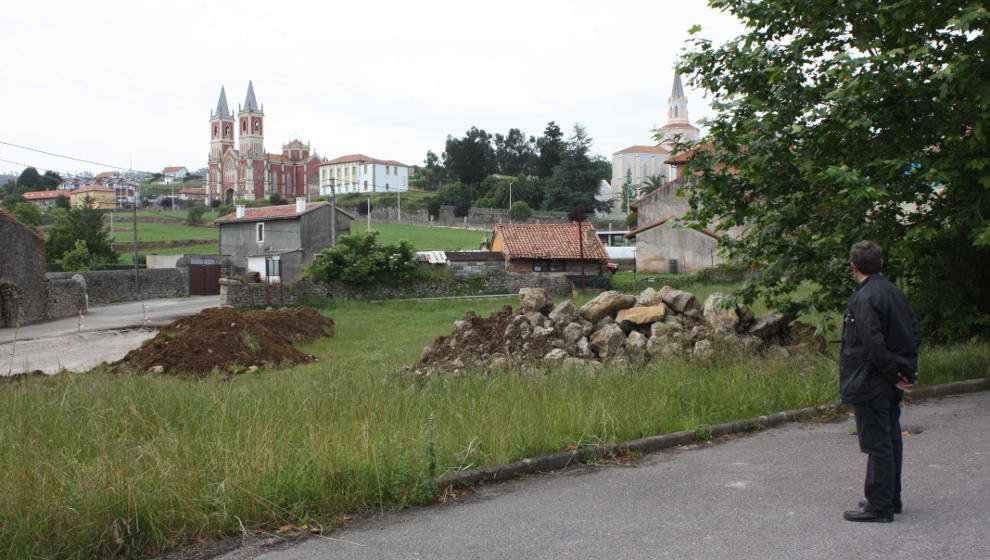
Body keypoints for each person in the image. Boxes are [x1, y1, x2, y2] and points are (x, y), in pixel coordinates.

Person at [839, 241, 922, 523]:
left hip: (872, 380)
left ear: (854, 266)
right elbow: (914, 331)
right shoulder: (893, 292)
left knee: (878, 443)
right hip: (887, 379)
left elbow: (873, 343)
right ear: (881, 263)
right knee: (890, 438)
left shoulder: (864, 298)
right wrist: (906, 371)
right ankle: (890, 498)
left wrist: (892, 375)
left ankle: (880, 506)